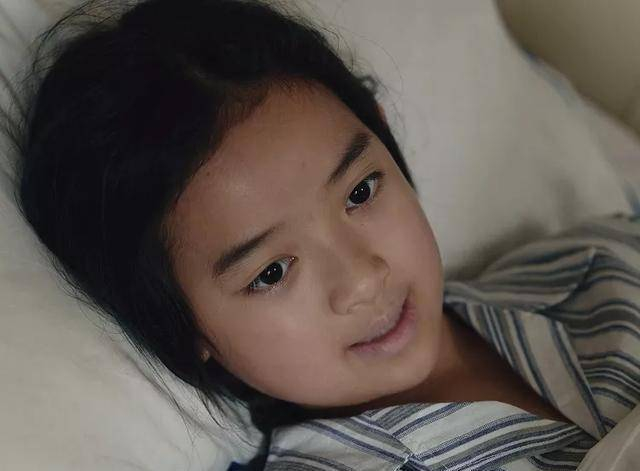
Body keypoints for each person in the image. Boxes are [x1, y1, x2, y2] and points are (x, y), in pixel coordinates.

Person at [4, 0, 639, 469]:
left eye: (360, 192)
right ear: (184, 326)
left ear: (384, 138)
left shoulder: (600, 264)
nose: (362, 278)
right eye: (271, 272)